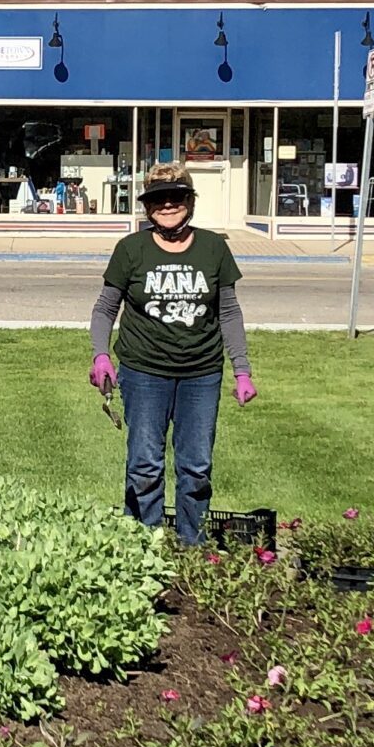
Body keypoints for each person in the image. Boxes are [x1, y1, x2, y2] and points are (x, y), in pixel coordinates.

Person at [88, 160, 255, 548]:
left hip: (202, 373)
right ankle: (143, 546)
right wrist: (100, 355)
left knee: (196, 467)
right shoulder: (131, 249)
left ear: (190, 202)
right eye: (158, 199)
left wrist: (242, 370)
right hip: (143, 371)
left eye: (176, 198)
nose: (167, 205)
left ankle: (191, 547)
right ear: (148, 207)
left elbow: (229, 312)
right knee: (145, 465)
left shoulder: (213, 248)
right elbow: (105, 308)